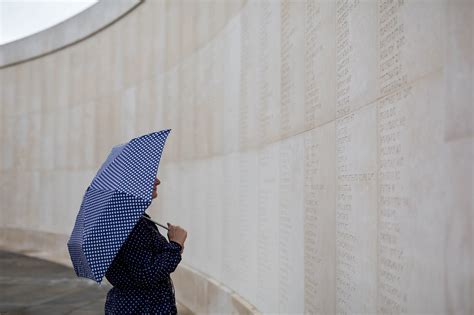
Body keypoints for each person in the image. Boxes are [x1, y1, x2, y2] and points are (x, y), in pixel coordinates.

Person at [104, 177, 188, 314]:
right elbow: (147, 275)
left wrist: (174, 246)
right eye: (150, 177)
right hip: (144, 307)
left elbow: (141, 262)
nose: (158, 181)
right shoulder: (133, 225)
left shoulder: (125, 216)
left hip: (130, 304)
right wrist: (175, 245)